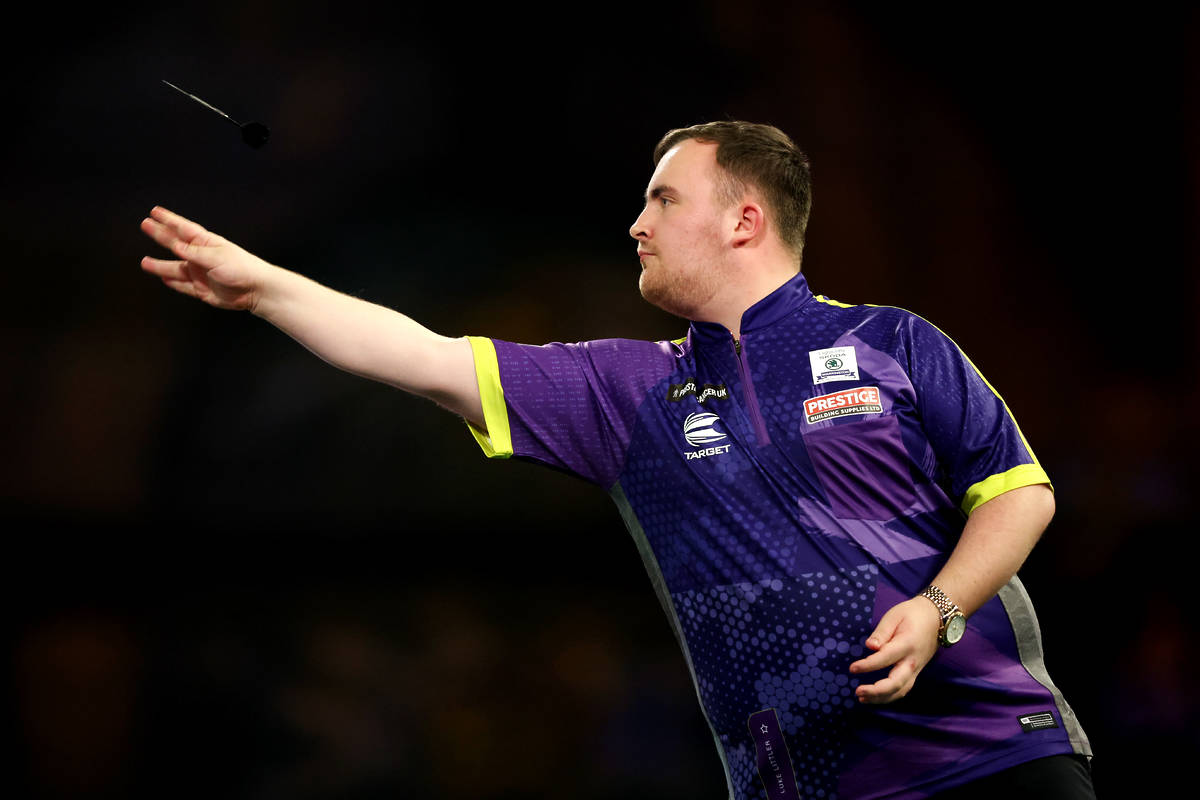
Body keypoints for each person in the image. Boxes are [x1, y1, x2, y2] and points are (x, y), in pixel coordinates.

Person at [139, 121, 1094, 800]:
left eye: (662, 199)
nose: (636, 224)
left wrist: (936, 611)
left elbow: (1021, 496)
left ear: (744, 220)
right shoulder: (623, 392)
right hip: (802, 784)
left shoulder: (897, 342)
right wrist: (262, 287)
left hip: (994, 758)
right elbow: (420, 355)